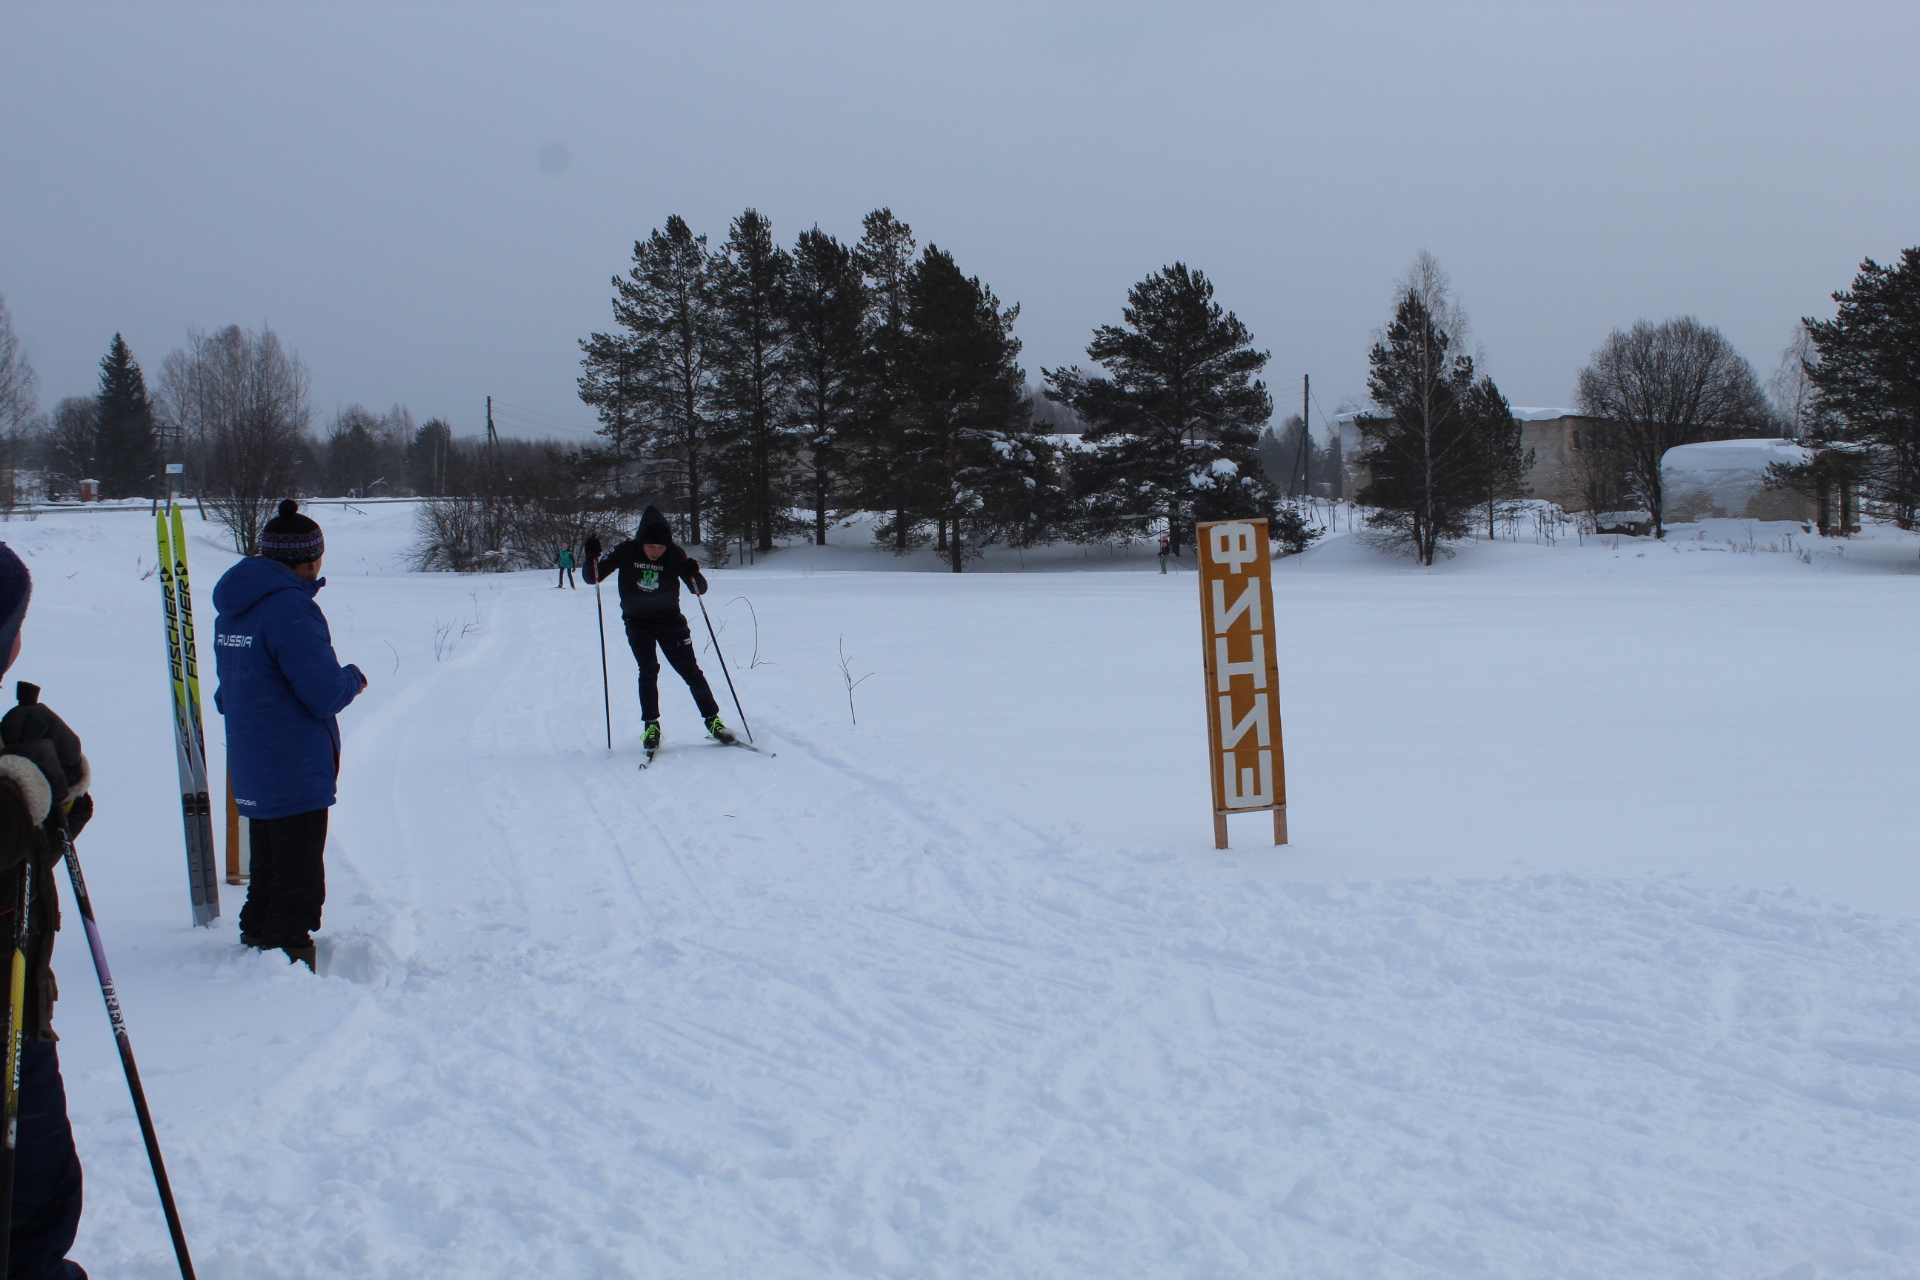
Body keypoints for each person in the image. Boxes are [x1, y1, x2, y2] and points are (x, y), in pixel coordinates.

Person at [213, 500, 366, 970]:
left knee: (270, 866)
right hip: (292, 761)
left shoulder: (237, 607)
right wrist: (353, 678)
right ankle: (287, 960)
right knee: (297, 875)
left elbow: (229, 692)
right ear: (310, 559)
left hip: (254, 758)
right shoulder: (290, 609)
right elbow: (321, 692)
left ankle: (258, 934)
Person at [0, 543, 92, 1279]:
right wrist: (19, 799)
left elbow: (21, 865)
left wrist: (61, 799)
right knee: (27, 1224)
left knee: (40, 1209)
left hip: (22, 1010)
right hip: (7, 1042)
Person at [585, 506, 733, 750]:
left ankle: (714, 722)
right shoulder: (625, 551)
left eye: (660, 547)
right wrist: (591, 556)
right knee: (648, 670)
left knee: (691, 672)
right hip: (637, 622)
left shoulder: (674, 554)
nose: (655, 552)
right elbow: (594, 578)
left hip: (670, 622)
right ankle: (651, 726)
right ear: (642, 541)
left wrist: (693, 571)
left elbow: (699, 590)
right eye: (651, 546)